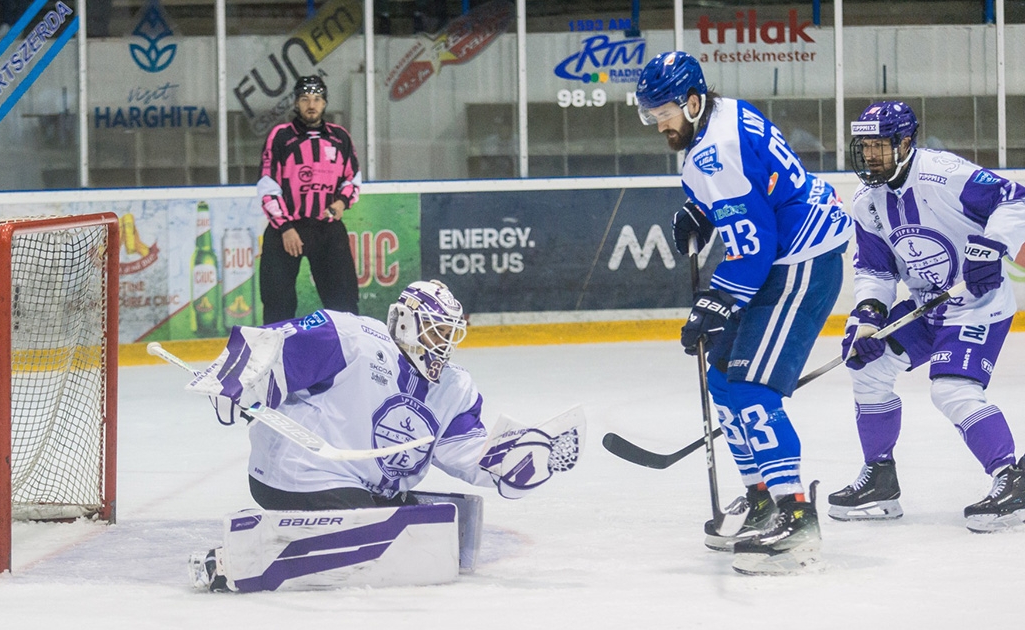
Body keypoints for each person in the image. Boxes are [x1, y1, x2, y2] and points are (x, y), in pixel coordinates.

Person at [179, 280, 583, 590]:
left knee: (431, 525)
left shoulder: (452, 389)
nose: (443, 346)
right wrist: (234, 381)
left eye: (449, 335)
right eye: (437, 332)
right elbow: (274, 344)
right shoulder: (353, 337)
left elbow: (469, 453)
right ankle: (234, 561)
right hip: (298, 473)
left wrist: (529, 457)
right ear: (406, 323)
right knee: (377, 535)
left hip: (367, 489)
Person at [634, 51, 854, 575]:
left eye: (662, 112)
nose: (658, 123)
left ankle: (795, 514)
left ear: (691, 102)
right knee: (724, 381)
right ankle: (761, 498)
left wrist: (715, 301)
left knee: (753, 387)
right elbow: (754, 193)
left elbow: (755, 249)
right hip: (779, 252)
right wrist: (704, 211)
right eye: (649, 114)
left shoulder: (716, 149)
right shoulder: (716, 116)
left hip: (801, 261)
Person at [828, 101, 1025, 533]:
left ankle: (1011, 477)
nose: (869, 157)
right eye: (864, 147)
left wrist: (993, 246)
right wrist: (868, 316)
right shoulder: (867, 202)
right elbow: (875, 269)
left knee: (951, 389)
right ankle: (880, 479)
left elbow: (1016, 199)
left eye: (879, 146)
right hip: (927, 305)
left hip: (978, 304)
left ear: (904, 143)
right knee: (868, 367)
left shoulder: (944, 174)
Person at [257, 75, 361, 325]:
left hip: (327, 229)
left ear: (325, 104)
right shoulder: (280, 136)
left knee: (344, 302)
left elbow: (352, 178)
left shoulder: (339, 137)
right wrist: (285, 227)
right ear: (296, 103)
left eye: (316, 99)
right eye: (305, 99)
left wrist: (341, 203)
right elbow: (268, 186)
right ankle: (277, 357)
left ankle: (349, 354)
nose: (311, 105)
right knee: (277, 302)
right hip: (287, 231)